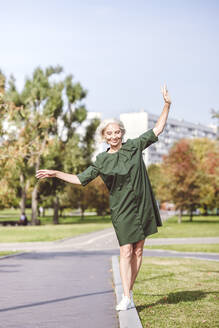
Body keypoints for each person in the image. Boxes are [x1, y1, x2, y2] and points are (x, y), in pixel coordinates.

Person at [36, 84, 171, 311]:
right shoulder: (101, 160)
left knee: (138, 250)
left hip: (143, 205)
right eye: (109, 133)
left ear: (122, 134)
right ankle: (126, 296)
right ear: (104, 137)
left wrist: (167, 104)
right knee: (126, 250)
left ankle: (129, 291)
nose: (114, 136)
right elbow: (80, 179)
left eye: (117, 132)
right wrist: (55, 173)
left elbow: (158, 128)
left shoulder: (134, 147)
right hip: (122, 209)